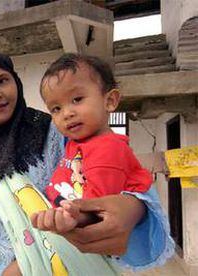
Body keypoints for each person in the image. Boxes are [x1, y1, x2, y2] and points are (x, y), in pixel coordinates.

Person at [0, 50, 174, 275]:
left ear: (16, 83)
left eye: (2, 80)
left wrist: (132, 209)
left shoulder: (59, 132)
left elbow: (121, 180)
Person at [31, 53, 153, 233]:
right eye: (56, 108)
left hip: (82, 235)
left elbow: (98, 211)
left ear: (110, 101)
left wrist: (71, 219)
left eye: (77, 99)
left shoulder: (108, 149)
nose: (66, 113)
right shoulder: (77, 143)